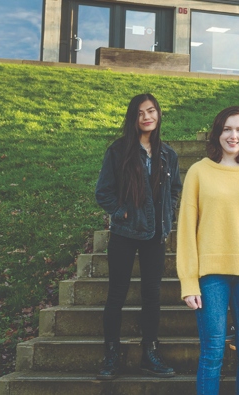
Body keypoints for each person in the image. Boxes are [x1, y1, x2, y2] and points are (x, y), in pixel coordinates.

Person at [176, 106, 239, 395]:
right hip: (210, 278)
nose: (234, 136)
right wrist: (188, 281)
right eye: (228, 129)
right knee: (211, 354)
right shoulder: (198, 171)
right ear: (218, 132)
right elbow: (185, 231)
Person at [94, 93, 180, 380]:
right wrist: (121, 212)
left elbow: (175, 190)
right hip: (125, 234)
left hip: (155, 236)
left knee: (152, 295)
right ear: (133, 118)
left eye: (152, 111)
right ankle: (111, 356)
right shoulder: (118, 152)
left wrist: (168, 212)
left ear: (158, 114)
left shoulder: (169, 155)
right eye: (141, 113)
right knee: (116, 294)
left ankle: (150, 352)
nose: (147, 117)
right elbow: (102, 192)